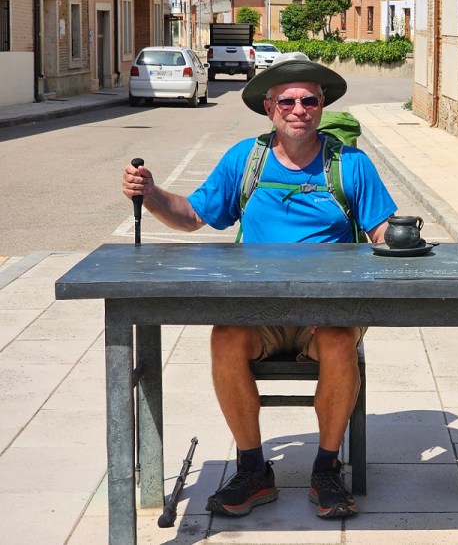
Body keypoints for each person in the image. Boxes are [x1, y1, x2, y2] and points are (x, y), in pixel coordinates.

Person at [122, 52, 397, 520]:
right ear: (269, 108)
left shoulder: (350, 164)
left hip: (326, 311)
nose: (298, 110)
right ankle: (252, 469)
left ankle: (326, 469)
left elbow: (381, 231)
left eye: (309, 100)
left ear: (322, 106)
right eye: (286, 101)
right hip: (258, 311)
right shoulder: (245, 160)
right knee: (225, 337)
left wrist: (401, 238)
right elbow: (191, 216)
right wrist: (150, 194)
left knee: (338, 340)